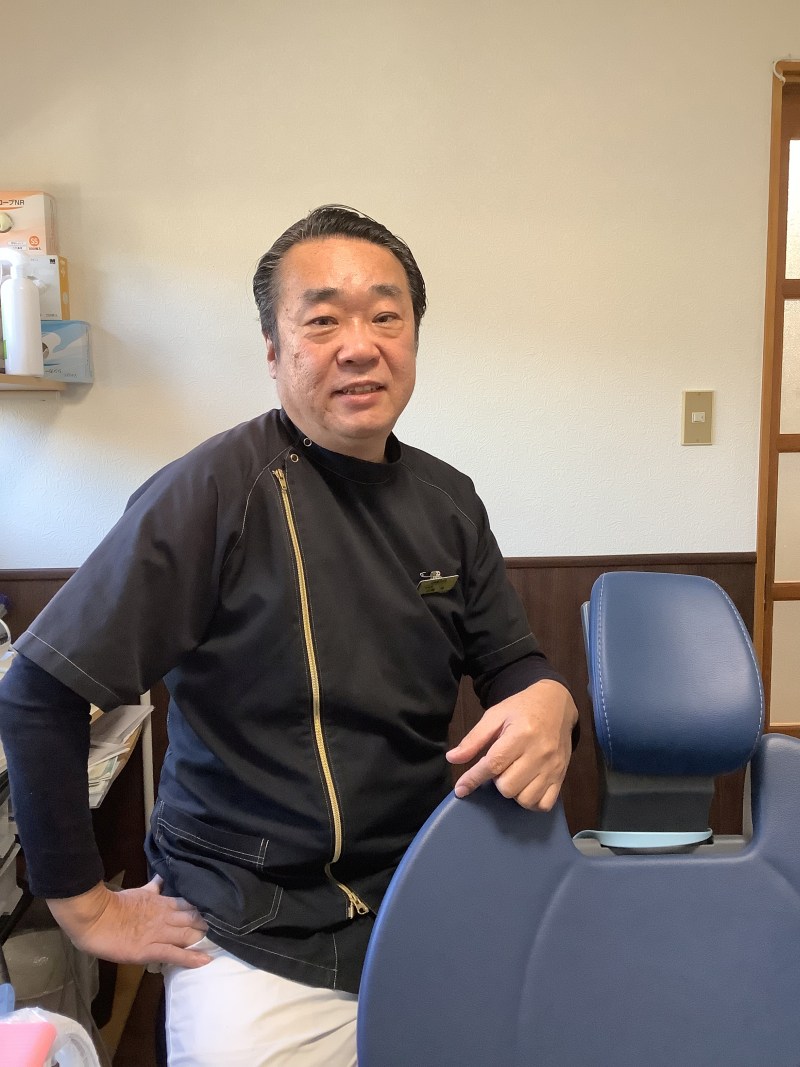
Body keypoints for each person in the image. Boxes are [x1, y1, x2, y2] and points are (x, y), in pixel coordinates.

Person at [0, 205, 579, 1065]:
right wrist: (85, 907)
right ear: (273, 351)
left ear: (414, 337)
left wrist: (550, 698)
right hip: (250, 923)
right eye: (322, 321)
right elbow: (38, 689)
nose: (360, 346)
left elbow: (511, 662)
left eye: (386, 316)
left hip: (422, 892)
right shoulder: (210, 492)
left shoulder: (448, 500)